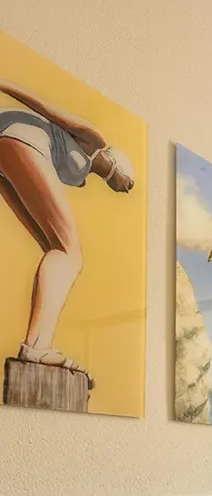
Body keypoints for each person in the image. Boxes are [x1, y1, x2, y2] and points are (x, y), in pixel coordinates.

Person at [0, 80, 135, 389]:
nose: (126, 188)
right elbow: (46, 108)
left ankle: (37, 342)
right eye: (127, 182)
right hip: (19, 139)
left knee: (55, 248)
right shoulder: (94, 141)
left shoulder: (83, 172)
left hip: (7, 152)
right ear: (117, 164)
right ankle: (38, 345)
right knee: (69, 253)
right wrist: (5, 84)